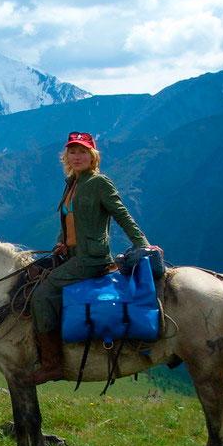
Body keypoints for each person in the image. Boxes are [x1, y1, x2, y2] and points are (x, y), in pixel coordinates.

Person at [30, 131, 150, 384]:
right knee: (31, 273)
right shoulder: (72, 182)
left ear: (93, 156)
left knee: (42, 294)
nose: (76, 156)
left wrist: (143, 245)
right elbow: (72, 220)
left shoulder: (99, 183)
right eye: (72, 152)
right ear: (66, 156)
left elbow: (121, 214)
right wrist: (62, 242)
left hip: (91, 259)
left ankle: (53, 364)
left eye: (82, 152)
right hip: (72, 254)